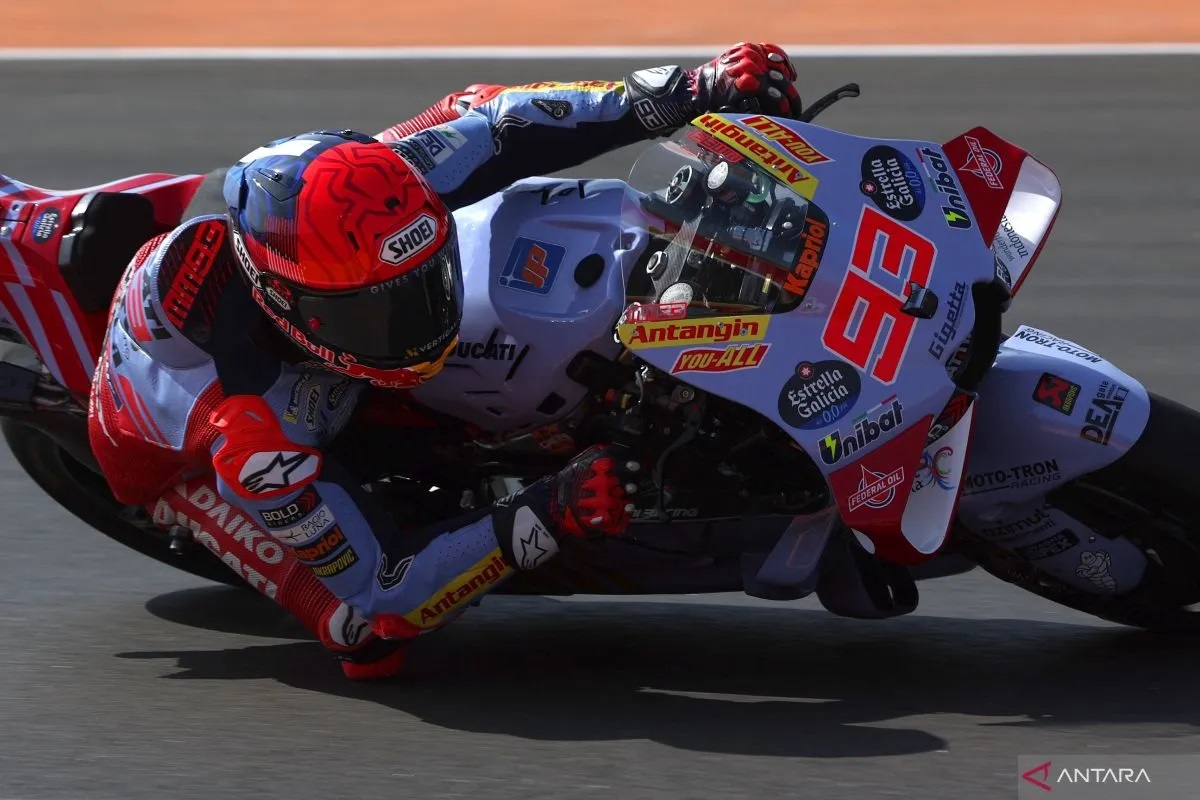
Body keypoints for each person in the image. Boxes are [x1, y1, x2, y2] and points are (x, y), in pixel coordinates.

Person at [87, 43, 804, 680]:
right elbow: (385, 587)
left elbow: (504, 121)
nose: (419, 325)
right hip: (171, 452)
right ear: (287, 303)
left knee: (468, 112)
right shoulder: (252, 439)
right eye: (377, 313)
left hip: (286, 267)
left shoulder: (383, 191)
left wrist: (690, 89)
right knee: (365, 636)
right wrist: (550, 510)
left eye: (425, 284)